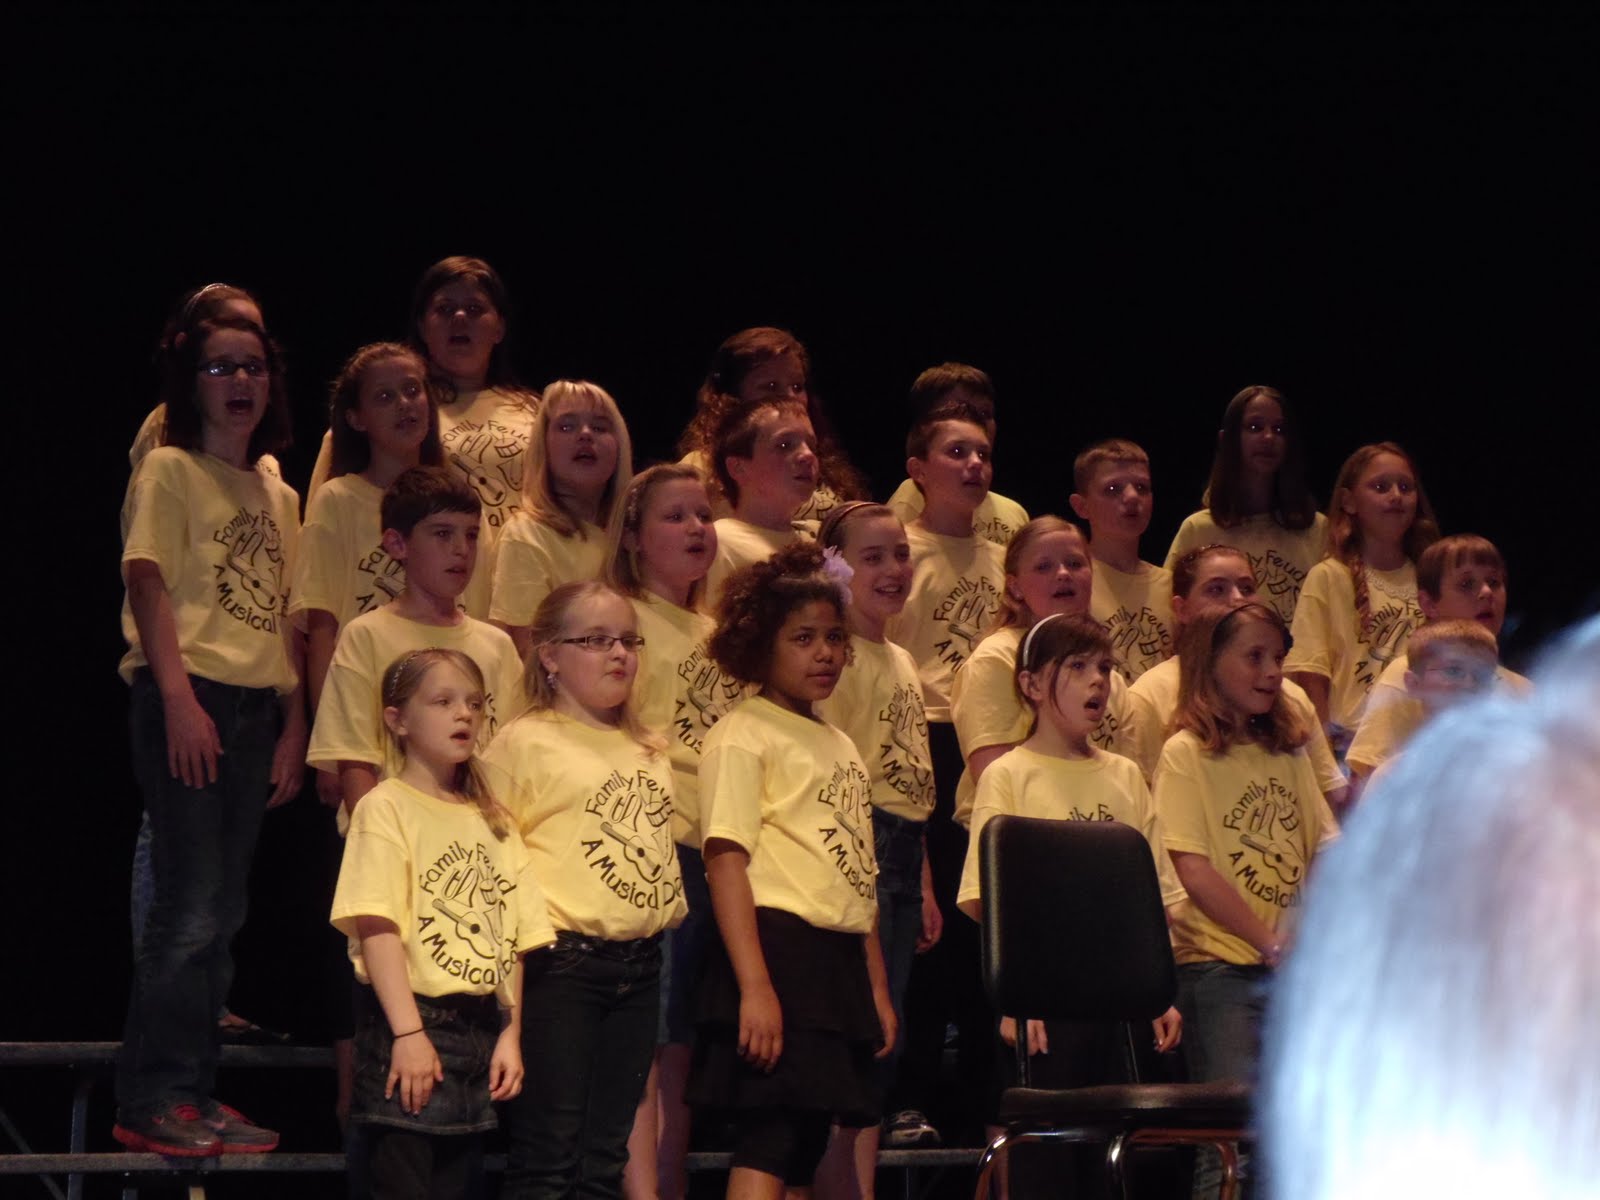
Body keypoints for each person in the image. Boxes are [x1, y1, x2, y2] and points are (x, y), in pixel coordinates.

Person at [1260, 616, 1600, 1200]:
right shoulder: (1397, 781)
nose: (1466, 686)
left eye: (1480, 676)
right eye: (1452, 672)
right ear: (1414, 684)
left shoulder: (1528, 781)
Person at [114, 313, 304, 1156]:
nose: (240, 382)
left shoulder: (280, 494)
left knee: (224, 913)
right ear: (191, 383)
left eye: (253, 367)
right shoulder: (171, 468)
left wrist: (294, 727)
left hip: (256, 707)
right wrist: (178, 697)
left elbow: (287, 618)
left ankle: (195, 1093)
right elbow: (147, 582)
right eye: (220, 367)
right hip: (190, 694)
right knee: (187, 908)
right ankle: (152, 1095)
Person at [688, 543, 895, 1200]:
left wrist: (876, 987)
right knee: (773, 1134)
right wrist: (755, 986)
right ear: (760, 645)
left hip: (836, 958)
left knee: (807, 1140)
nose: (824, 653)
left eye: (834, 637)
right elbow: (726, 860)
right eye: (803, 639)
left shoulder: (840, 744)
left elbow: (856, 876)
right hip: (779, 949)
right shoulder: (743, 733)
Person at [957, 613, 1184, 1198]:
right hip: (1045, 1011)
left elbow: (1153, 900)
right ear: (1031, 684)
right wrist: (1016, 1001)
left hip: (1121, 1009)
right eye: (1077, 667)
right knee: (1048, 1168)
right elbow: (989, 902)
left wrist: (1160, 993)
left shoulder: (1126, 775)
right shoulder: (1009, 775)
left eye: (1104, 667)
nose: (1097, 681)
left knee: (1118, 1168)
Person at [482, 582, 687, 1200]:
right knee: (549, 1159)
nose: (619, 654)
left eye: (628, 640)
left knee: (604, 1161)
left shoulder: (648, 748)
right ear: (550, 654)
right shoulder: (524, 742)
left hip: (639, 965)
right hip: (561, 966)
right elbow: (494, 869)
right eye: (597, 640)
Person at [331, 649, 554, 1198]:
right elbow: (377, 927)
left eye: (474, 704)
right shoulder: (386, 807)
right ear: (397, 720)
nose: (463, 714)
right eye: (443, 701)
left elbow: (514, 936)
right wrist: (409, 1034)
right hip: (410, 1021)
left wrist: (510, 1033)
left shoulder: (493, 820)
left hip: (478, 1030)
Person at [1154, 604, 1340, 1199]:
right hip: (1220, 971)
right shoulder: (1186, 753)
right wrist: (1268, 942)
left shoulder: (1289, 750)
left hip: (1289, 971)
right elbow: (1193, 867)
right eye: (1254, 657)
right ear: (1212, 663)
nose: (1272, 671)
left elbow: (1326, 849)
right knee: (1227, 1141)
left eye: (1278, 658)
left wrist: (1301, 937)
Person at [604, 464, 746, 1200]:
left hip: (721, 850)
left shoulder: (723, 635)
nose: (697, 529)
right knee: (654, 1043)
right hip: (657, 849)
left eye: (703, 515)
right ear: (632, 537)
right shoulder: (623, 621)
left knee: (686, 1046)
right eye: (675, 516)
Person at [881, 397, 1006, 1147]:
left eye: (982, 452)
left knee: (983, 924)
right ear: (918, 470)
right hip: (925, 736)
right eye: (956, 452)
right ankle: (909, 1097)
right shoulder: (908, 551)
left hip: (991, 741)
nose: (974, 464)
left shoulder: (1003, 553)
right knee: (928, 930)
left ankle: (991, 1100)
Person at [813, 503, 942, 1198]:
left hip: (902, 853)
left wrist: (921, 880)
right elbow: (838, 789)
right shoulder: (839, 661)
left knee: (879, 1054)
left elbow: (910, 778)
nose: (894, 569)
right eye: (873, 558)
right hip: (858, 850)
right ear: (834, 568)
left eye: (901, 554)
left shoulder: (901, 658)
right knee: (859, 1040)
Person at [308, 256, 541, 618]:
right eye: (444, 309)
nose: (459, 317)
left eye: (475, 309)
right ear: (422, 326)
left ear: (499, 327)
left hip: (517, 594)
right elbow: (322, 530)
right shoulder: (394, 411)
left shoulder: (534, 412)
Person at [307, 467, 525, 817]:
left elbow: (518, 754)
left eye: (471, 535)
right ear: (398, 544)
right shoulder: (366, 636)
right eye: (442, 534)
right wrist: (380, 838)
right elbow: (355, 760)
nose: (461, 549)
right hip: (400, 832)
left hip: (483, 833)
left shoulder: (496, 645)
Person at [1122, 545, 1348, 813]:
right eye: (1217, 589)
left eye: (1247, 588)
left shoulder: (1288, 695)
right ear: (1181, 609)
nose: (1237, 599)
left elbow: (1330, 798)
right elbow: (1139, 808)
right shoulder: (1148, 696)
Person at [950, 516, 1132, 830]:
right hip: (1025, 835)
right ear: (1015, 586)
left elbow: (1127, 780)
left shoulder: (1109, 675)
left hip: (1100, 832)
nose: (1063, 574)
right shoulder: (997, 658)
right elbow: (994, 776)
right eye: (1044, 567)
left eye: (1075, 563)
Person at [1345, 533, 1529, 787]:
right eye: (1467, 584)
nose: (1487, 592)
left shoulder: (1525, 691)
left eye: (1494, 582)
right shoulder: (1405, 674)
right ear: (1428, 603)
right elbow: (1370, 781)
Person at [1286, 441, 1439, 743]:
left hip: (1418, 744)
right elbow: (1311, 675)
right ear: (1349, 501)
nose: (1396, 496)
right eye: (1381, 487)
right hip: (1351, 746)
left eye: (1405, 487)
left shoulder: (1430, 577)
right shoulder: (1328, 577)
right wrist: (1325, 755)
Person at [491, 380, 634, 659]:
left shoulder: (634, 535)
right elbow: (533, 657)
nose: (585, 435)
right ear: (543, 446)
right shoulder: (526, 534)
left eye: (600, 427)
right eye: (567, 426)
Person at [677, 326, 867, 530]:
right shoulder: (701, 468)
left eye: (797, 387)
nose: (790, 397)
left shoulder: (820, 463)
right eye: (771, 386)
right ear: (732, 398)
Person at [1164, 386, 1325, 625]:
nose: (1268, 437)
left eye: (1279, 429)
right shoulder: (1198, 529)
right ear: (1227, 439)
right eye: (1255, 427)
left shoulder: (1317, 529)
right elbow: (1169, 615)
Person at [884, 363, 1030, 546]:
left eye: (985, 413)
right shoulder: (908, 501)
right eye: (960, 410)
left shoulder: (1014, 512)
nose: (976, 422)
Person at [701, 388, 820, 606]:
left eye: (811, 445)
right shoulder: (720, 542)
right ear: (738, 468)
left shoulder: (817, 540)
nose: (808, 455)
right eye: (784, 445)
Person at [1070, 439, 1174, 682]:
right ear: (1081, 506)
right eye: (1113, 489)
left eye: (1142, 487)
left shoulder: (1172, 584)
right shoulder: (1069, 582)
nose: (1132, 497)